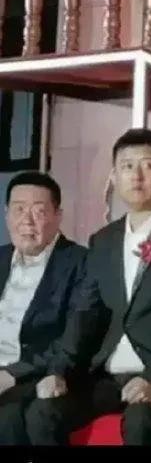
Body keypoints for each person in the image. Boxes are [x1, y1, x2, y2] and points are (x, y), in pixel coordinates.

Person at [25, 128, 151, 446]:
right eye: (127, 166)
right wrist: (58, 371)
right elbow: (85, 313)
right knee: (43, 412)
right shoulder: (103, 241)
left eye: (148, 165)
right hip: (108, 376)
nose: (136, 175)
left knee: (141, 419)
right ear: (114, 176)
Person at [0, 171, 87, 444]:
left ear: (58, 216)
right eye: (19, 209)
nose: (27, 220)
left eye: (38, 211)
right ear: (6, 214)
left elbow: (74, 336)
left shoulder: (79, 263)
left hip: (37, 373)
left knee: (9, 417)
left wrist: (12, 374)